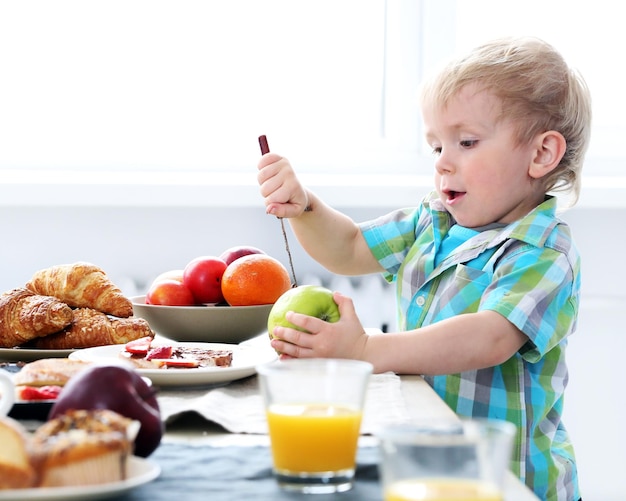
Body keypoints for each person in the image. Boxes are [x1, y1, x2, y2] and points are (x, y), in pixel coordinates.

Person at [256, 37, 590, 501]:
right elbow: (349, 248)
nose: (444, 163)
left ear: (540, 155)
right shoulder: (432, 220)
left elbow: (490, 336)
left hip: (509, 482)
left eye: (466, 142)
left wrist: (367, 348)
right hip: (434, 467)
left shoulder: (544, 252)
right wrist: (305, 207)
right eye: (436, 147)